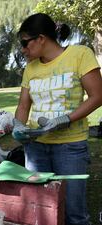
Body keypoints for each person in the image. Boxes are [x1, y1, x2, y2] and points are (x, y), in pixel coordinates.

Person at [12, 13, 102, 225]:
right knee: (41, 211)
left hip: (70, 148)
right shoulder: (31, 68)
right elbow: (24, 105)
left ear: (41, 38)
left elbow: (98, 95)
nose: (23, 50)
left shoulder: (79, 54)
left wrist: (66, 119)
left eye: (25, 43)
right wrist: (18, 125)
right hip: (36, 148)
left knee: (74, 214)